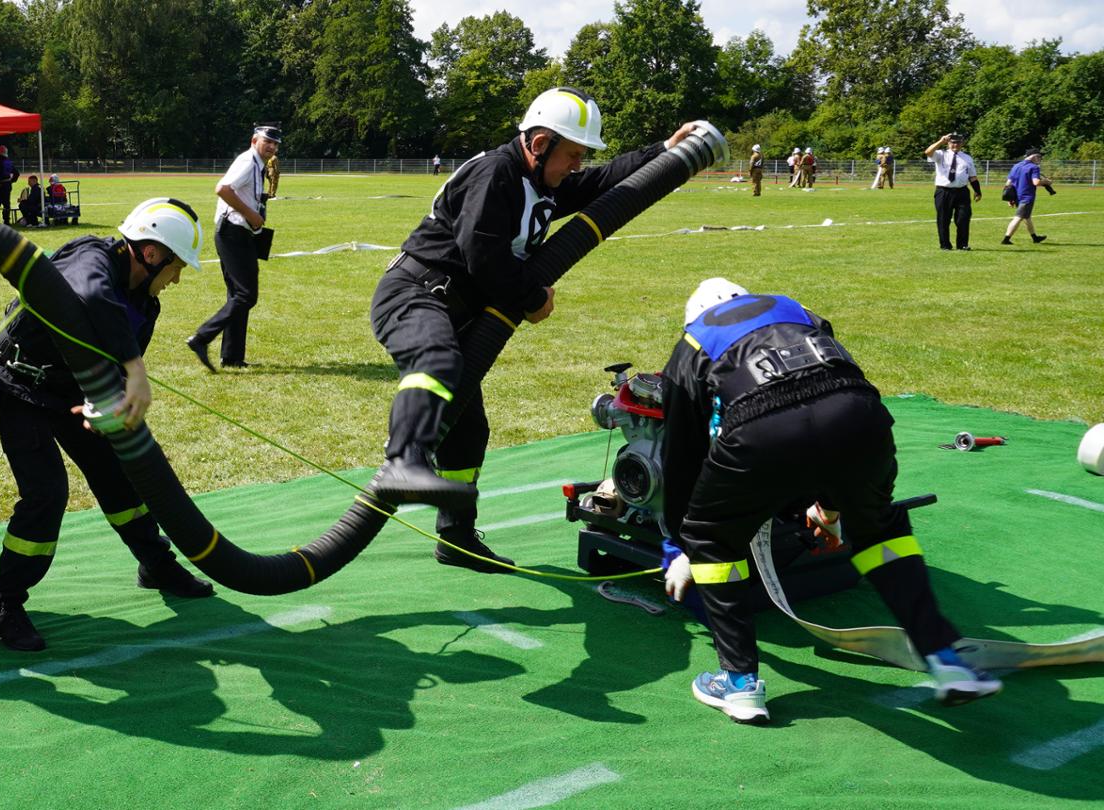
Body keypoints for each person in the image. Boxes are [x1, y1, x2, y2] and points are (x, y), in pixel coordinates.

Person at [369, 87, 697, 573]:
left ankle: (455, 538)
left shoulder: (539, 178)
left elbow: (602, 185)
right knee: (439, 363)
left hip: (457, 308)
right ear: (539, 143)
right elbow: (483, 256)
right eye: (571, 155)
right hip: (418, 294)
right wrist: (532, 296)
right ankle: (403, 461)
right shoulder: (496, 173)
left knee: (468, 427)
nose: (576, 166)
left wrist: (661, 154)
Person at [658, 278, 1002, 724]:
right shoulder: (796, 310)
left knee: (712, 540)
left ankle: (739, 684)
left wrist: (683, 541)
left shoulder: (692, 341)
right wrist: (833, 506)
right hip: (860, 417)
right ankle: (948, 659)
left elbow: (681, 458)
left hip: (762, 430)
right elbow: (823, 393)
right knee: (881, 529)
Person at [0, 198, 216, 651]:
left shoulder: (145, 306)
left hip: (71, 395)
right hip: (18, 386)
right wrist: (136, 369)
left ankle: (156, 564)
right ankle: (5, 601)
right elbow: (87, 295)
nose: (178, 278)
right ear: (151, 254)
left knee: (118, 473)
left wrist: (103, 404)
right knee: (46, 492)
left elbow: (108, 358)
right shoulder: (90, 255)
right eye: (177, 266)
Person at [187, 124, 280, 372]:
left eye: (275, 143)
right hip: (233, 233)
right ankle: (201, 338)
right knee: (246, 295)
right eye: (267, 141)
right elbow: (222, 189)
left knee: (237, 294)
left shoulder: (258, 165)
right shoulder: (248, 162)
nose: (271, 146)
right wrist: (251, 213)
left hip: (239, 232)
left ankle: (232, 357)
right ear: (254, 141)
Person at [924, 132, 980, 250]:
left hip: (962, 191)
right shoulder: (941, 154)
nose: (955, 144)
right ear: (948, 143)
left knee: (963, 219)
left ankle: (962, 244)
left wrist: (977, 191)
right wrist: (940, 141)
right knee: (943, 219)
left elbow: (972, 177)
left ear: (962, 143)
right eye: (953, 142)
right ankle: (945, 245)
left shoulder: (967, 158)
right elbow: (928, 152)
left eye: (958, 142)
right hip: (944, 191)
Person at [1002, 148, 1053, 245]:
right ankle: (1006, 239)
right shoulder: (1034, 167)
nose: (1040, 159)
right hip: (1026, 197)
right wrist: (1047, 182)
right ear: (1034, 156)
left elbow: (1008, 183)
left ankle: (1035, 238)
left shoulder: (1016, 166)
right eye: (1039, 157)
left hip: (1017, 196)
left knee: (1027, 217)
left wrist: (1010, 198)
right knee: (1018, 217)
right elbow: (1036, 182)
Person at [0, 145, 16, 224]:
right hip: (8, 184)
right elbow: (16, 173)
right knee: (6, 203)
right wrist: (11, 181)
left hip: (1, 185)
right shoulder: (9, 162)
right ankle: (6, 220)